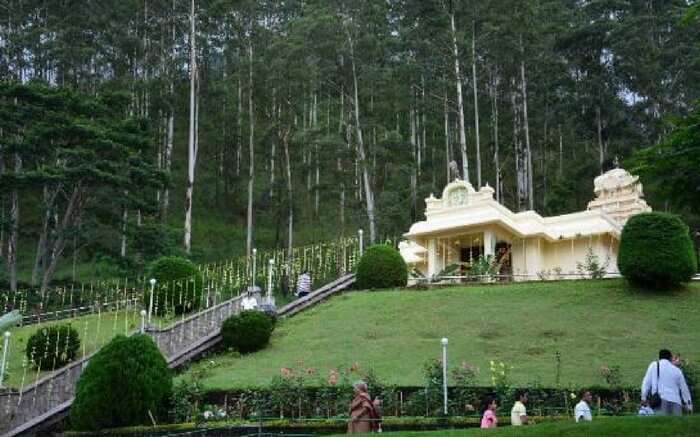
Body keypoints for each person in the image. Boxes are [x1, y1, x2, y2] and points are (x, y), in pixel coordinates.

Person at [640, 349, 693, 416]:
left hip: (660, 401)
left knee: (662, 424)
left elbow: (646, 383)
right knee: (676, 425)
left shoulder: (654, 365)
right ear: (670, 358)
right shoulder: (677, 370)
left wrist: (643, 398)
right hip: (676, 402)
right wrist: (689, 405)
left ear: (659, 357)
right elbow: (684, 389)